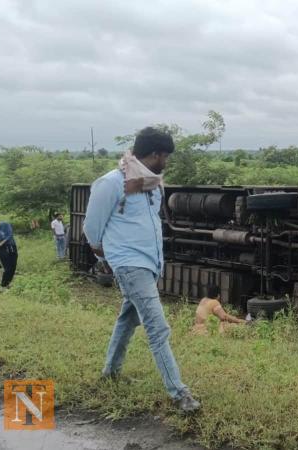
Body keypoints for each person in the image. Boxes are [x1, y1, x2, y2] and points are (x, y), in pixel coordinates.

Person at [83, 127, 201, 413]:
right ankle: (179, 393)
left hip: (150, 263)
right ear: (155, 154)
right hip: (129, 264)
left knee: (128, 319)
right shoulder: (111, 183)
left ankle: (110, 372)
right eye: (166, 156)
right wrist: (107, 254)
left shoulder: (151, 184)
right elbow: (91, 228)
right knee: (157, 327)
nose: (167, 162)